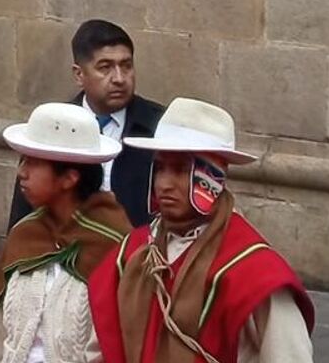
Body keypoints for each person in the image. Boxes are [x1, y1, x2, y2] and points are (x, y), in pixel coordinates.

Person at [87, 98, 315, 362]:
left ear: (212, 176)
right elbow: (100, 351)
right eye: (160, 168)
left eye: (181, 170)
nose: (164, 184)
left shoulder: (254, 273)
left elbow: (288, 356)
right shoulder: (132, 254)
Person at [0, 102, 131, 363]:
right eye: (23, 160)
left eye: (33, 163)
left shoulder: (116, 246)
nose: (21, 173)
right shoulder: (25, 235)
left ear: (69, 178)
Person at [11, 19, 166, 229]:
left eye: (126, 66)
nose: (119, 78)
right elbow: (24, 215)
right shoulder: (52, 128)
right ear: (79, 74)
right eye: (105, 68)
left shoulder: (159, 126)